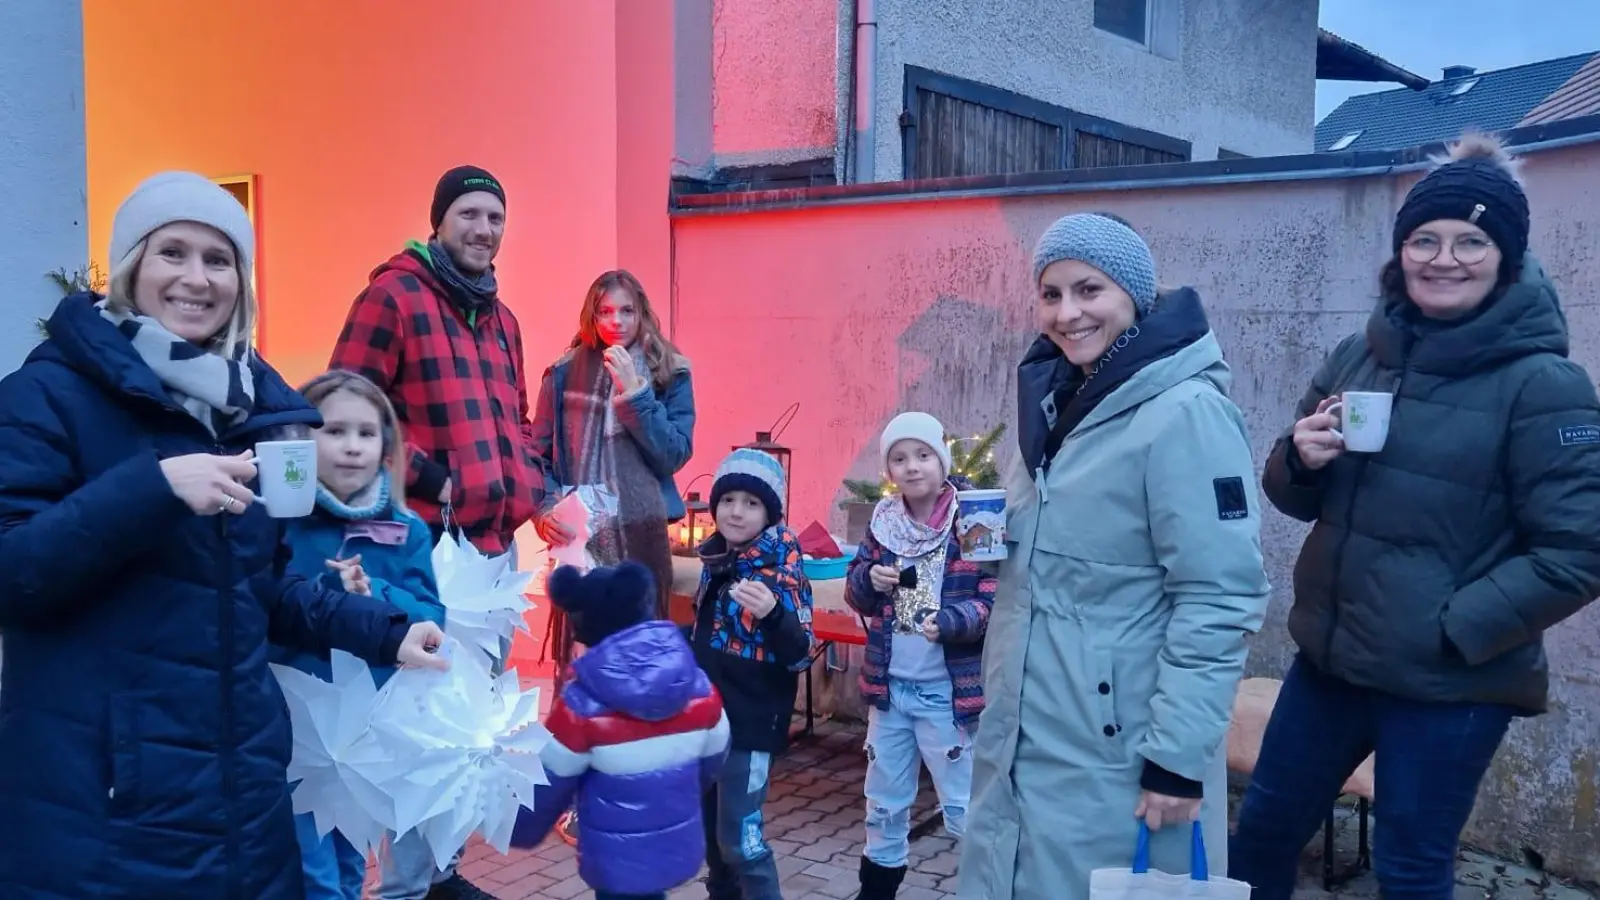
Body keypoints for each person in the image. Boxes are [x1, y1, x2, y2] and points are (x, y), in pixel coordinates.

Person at [0, 171, 446, 900]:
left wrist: (383, 631)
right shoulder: (45, 397)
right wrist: (154, 488)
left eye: (220, 260)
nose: (196, 279)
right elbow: (13, 572)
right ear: (132, 265)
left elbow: (258, 586)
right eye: (172, 252)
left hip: (242, 801)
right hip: (109, 812)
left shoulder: (251, 412)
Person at [1229, 133, 1600, 900]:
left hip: (1449, 685)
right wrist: (1300, 457)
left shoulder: (1545, 385)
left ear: (1506, 256)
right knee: (1263, 831)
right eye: (1425, 239)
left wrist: (1450, 629)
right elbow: (1288, 493)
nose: (1444, 257)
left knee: (1410, 868)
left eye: (1472, 240)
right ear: (1402, 252)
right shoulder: (1359, 354)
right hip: (1332, 665)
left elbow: (1580, 548)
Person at [955, 212, 1271, 899]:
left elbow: (1219, 596)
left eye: (1088, 290)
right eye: (1051, 294)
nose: (1067, 313)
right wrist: (990, 536)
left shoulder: (1184, 411)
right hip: (1027, 734)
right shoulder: (1056, 402)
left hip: (1120, 753)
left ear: (1134, 295)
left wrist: (1178, 760)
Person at [328, 164, 529, 900]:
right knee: (420, 726)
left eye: (495, 217)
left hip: (492, 552)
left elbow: (517, 424)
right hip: (419, 550)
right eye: (469, 214)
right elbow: (346, 408)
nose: (483, 229)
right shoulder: (395, 295)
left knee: (465, 728)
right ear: (439, 220)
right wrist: (424, 477)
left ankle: (440, 871)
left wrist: (535, 487)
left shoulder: (502, 319)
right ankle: (407, 887)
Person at [529, 268, 695, 843]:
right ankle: (578, 798)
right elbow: (539, 453)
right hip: (583, 540)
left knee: (637, 670)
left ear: (642, 312)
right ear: (591, 315)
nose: (616, 323)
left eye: (626, 311)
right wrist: (546, 507)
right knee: (579, 671)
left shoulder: (671, 371)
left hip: (642, 540)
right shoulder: (561, 372)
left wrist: (636, 396)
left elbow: (672, 455)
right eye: (605, 312)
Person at [278, 369, 449, 900]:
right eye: (334, 431)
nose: (351, 447)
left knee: (350, 862)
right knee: (312, 873)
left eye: (366, 433)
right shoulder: (280, 521)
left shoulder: (408, 530)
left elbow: (432, 619)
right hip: (292, 728)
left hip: (365, 731)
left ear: (386, 446)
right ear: (302, 440)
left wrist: (376, 594)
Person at [509, 562, 730, 900]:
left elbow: (548, 781)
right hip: (675, 842)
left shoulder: (581, 705)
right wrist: (678, 787)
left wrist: (518, 827)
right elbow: (716, 752)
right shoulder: (696, 685)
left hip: (615, 858)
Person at [844, 412, 994, 899]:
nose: (912, 467)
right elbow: (856, 591)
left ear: (942, 460)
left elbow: (995, 599)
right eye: (899, 458)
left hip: (946, 695)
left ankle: (987, 887)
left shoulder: (973, 518)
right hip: (890, 694)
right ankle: (877, 890)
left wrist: (953, 621)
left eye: (923, 455)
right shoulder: (884, 523)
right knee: (883, 804)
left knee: (964, 806)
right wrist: (869, 580)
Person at [691, 448, 815, 900]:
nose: (736, 511)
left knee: (740, 842)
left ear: (769, 512)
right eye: (728, 500)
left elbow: (801, 654)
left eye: (750, 502)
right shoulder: (717, 561)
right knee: (711, 837)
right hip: (706, 723)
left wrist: (773, 615)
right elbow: (708, 635)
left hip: (751, 725)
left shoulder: (782, 567)